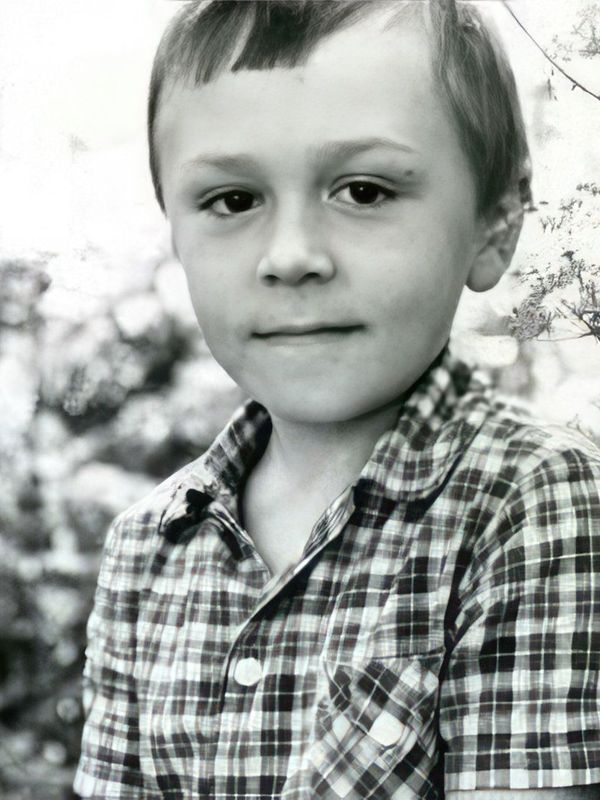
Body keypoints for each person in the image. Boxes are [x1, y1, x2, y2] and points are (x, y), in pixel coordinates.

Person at [74, 1, 600, 798]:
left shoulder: (532, 503)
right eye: (233, 200)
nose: (291, 256)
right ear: (175, 232)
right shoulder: (147, 550)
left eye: (363, 190)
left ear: (495, 222)